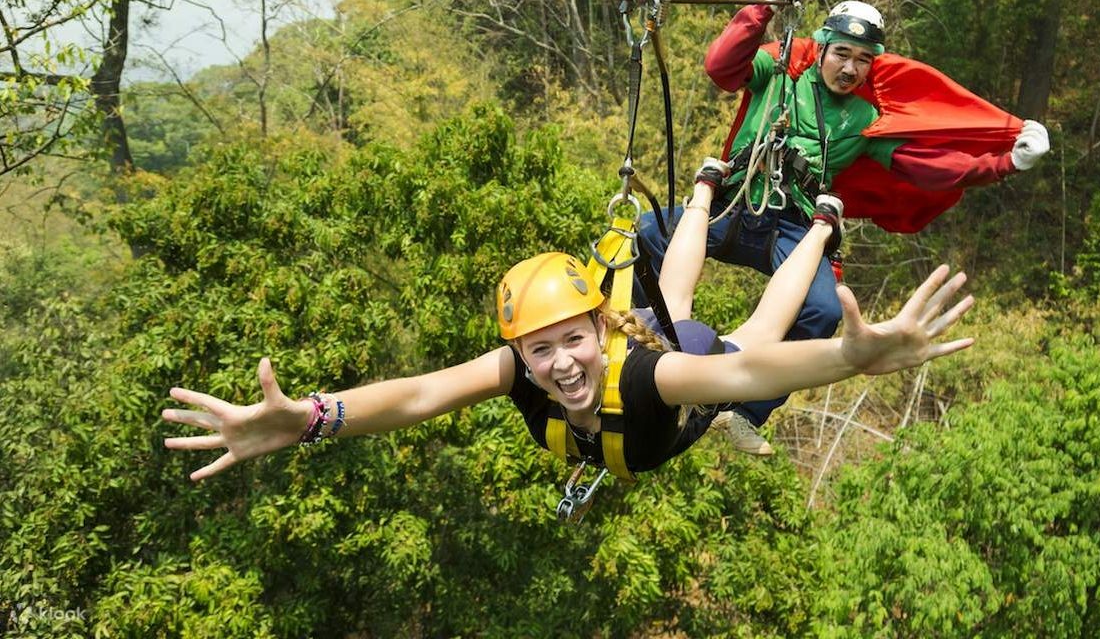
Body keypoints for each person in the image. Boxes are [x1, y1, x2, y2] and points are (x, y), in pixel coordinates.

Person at [162, 163, 975, 481]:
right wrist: (307, 420)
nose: (558, 366)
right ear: (518, 349)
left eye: (572, 341)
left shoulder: (652, 374)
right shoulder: (522, 368)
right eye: (539, 350)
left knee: (750, 332)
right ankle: (701, 189)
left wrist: (848, 358)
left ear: (601, 328)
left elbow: (743, 376)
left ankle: (825, 225)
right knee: (679, 303)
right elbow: (415, 396)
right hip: (650, 343)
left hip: (677, 369)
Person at [634, 0, 1050, 454]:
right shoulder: (779, 69)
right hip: (736, 203)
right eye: (842, 54)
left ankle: (744, 411)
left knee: (824, 308)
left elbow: (929, 169)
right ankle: (641, 342)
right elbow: (721, 66)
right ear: (824, 48)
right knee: (646, 234)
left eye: (863, 61)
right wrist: (765, 6)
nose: (850, 69)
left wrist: (1005, 163)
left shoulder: (865, 120)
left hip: (791, 226)